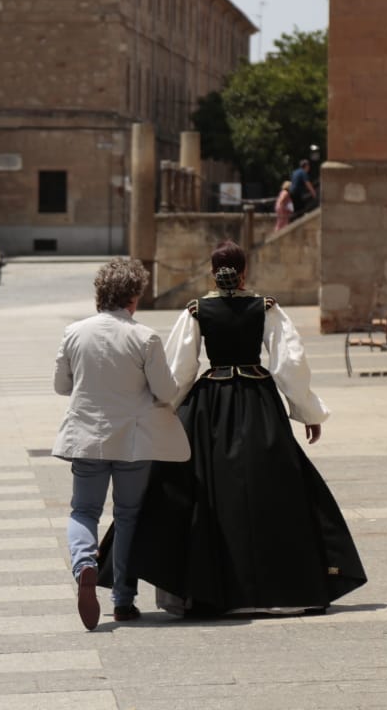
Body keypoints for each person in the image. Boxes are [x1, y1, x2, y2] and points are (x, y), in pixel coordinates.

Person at [128, 240, 365, 616]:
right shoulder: (266, 308)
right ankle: (287, 587)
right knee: (276, 487)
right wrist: (308, 412)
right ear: (244, 272)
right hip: (258, 403)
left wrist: (164, 411)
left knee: (211, 491)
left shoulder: (196, 310)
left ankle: (216, 588)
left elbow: (180, 371)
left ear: (212, 271)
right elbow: (289, 364)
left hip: (212, 409)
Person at [52, 257, 186, 630]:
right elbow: (166, 391)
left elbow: (62, 386)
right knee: (128, 515)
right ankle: (123, 600)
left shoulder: (74, 332)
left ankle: (85, 566)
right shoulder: (145, 337)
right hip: (132, 441)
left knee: (83, 511)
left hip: (86, 438)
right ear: (133, 297)